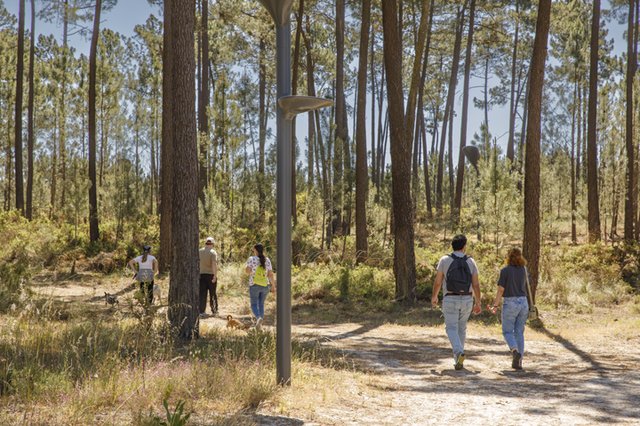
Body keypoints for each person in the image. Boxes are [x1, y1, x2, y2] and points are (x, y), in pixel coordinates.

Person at [431, 234, 482, 370]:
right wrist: (478, 302)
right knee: (461, 328)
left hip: (450, 298)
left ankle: (459, 353)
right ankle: (458, 360)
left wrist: (434, 296)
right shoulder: (471, 262)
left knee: (451, 328)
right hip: (467, 299)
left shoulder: (444, 260)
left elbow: (438, 282)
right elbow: (476, 284)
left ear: (452, 246)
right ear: (464, 246)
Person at [488, 247, 530, 370]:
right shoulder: (524, 269)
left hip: (510, 302)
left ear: (508, 257)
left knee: (507, 331)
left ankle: (514, 350)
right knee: (519, 332)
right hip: (523, 302)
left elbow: (501, 289)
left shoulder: (505, 270)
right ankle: (519, 362)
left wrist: (495, 305)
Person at [245, 243, 276, 330]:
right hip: (265, 285)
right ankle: (260, 325)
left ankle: (259, 318)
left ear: (255, 250)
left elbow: (247, 271)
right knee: (261, 304)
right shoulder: (267, 260)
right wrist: (273, 286)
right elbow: (270, 274)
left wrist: (249, 270)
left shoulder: (251, 259)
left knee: (254, 304)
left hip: (254, 284)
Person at [198, 236, 218, 316]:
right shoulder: (213, 252)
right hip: (210, 275)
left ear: (206, 243)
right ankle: (214, 310)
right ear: (212, 244)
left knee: (202, 294)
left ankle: (201, 311)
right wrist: (215, 276)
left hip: (201, 275)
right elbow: (214, 264)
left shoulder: (199, 251)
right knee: (213, 293)